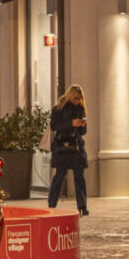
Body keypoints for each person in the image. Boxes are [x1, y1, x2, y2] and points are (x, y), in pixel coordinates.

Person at [47, 84, 89, 216]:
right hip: (62, 145)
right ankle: (52, 204)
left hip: (76, 146)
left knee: (79, 177)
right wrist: (71, 123)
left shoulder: (81, 109)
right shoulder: (59, 108)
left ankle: (82, 206)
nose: (78, 100)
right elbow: (54, 126)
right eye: (76, 98)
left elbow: (83, 132)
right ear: (70, 96)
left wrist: (82, 125)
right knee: (59, 176)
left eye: (80, 98)